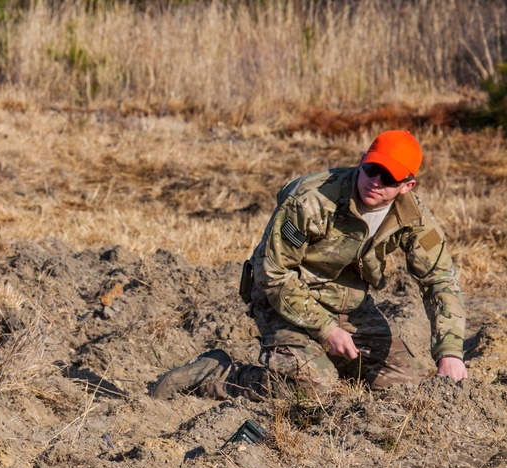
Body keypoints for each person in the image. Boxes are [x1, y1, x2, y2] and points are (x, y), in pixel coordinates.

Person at [150, 130, 467, 402]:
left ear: (407, 186)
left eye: (389, 178)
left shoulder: (413, 219)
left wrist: (449, 351)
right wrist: (326, 330)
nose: (375, 182)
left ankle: (325, 362)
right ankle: (219, 375)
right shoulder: (312, 200)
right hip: (282, 299)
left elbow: (441, 280)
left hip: (348, 305)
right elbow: (272, 273)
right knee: (314, 393)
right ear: (361, 160)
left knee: (406, 391)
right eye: (371, 169)